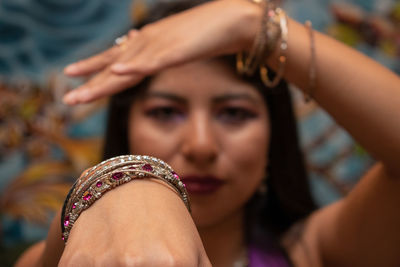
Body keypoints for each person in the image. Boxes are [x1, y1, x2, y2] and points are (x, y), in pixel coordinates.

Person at [16, 0, 400, 266]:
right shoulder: (64, 258)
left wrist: (251, 24)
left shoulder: (314, 253)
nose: (201, 146)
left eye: (234, 113)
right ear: (125, 126)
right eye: (165, 112)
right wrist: (125, 186)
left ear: (273, 135)